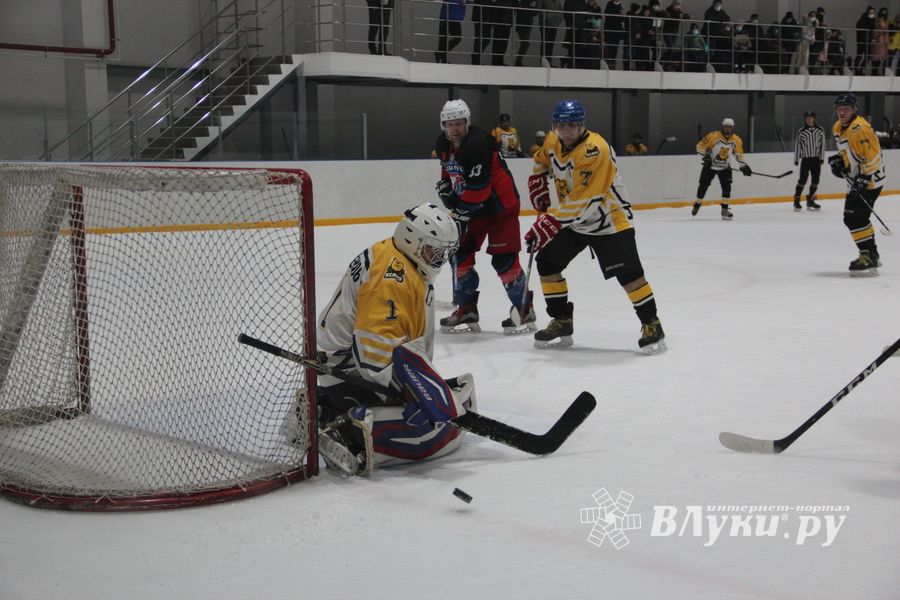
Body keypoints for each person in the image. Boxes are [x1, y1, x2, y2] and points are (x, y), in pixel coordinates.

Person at [315, 203, 474, 476]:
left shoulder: (398, 256)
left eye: (445, 253)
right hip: (347, 368)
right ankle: (349, 432)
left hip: (346, 359)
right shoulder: (392, 278)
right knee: (430, 432)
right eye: (434, 251)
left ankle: (322, 407)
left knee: (450, 400)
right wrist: (408, 390)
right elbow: (373, 355)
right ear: (412, 239)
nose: (440, 259)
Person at [526, 99, 666, 353]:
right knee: (547, 262)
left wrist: (553, 221)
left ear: (581, 125)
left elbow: (586, 197)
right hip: (574, 221)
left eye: (572, 125)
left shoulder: (595, 150)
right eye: (561, 125)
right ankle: (561, 319)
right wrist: (537, 179)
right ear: (554, 126)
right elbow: (542, 160)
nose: (566, 131)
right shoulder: (551, 141)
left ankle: (651, 324)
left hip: (608, 220)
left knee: (630, 275)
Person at [434, 100, 534, 334]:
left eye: (459, 123)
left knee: (504, 261)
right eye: (450, 124)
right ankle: (466, 307)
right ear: (443, 125)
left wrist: (459, 211)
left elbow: (480, 188)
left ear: (467, 123)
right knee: (460, 254)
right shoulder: (443, 143)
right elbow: (450, 171)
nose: (455, 129)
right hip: (474, 208)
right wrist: (446, 188)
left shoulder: (478, 143)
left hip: (500, 207)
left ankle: (525, 309)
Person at [828, 93, 886, 276]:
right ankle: (871, 253)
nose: (841, 112)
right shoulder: (838, 127)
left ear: (854, 109)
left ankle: (868, 254)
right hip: (858, 178)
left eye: (845, 109)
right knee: (856, 218)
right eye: (839, 109)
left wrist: (864, 178)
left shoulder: (860, 129)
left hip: (871, 179)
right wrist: (840, 161)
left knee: (853, 218)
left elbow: (873, 156)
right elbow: (851, 153)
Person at [691, 118, 752, 220]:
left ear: (732, 128)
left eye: (730, 127)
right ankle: (697, 203)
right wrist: (705, 157)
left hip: (725, 167)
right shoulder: (713, 136)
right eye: (726, 126)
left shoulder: (736, 139)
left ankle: (724, 210)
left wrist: (743, 166)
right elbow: (699, 146)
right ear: (722, 126)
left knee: (727, 187)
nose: (728, 129)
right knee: (703, 185)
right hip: (710, 166)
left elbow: (738, 154)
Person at [792, 111, 825, 211]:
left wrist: (822, 157)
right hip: (806, 159)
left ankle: (810, 200)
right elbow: (798, 145)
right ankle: (796, 200)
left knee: (815, 180)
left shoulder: (820, 130)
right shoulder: (801, 131)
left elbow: (823, 145)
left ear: (814, 119)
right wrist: (796, 158)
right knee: (802, 180)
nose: (809, 120)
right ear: (805, 119)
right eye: (807, 118)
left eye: (811, 118)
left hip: (816, 159)